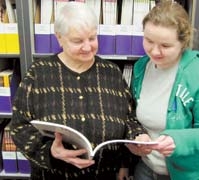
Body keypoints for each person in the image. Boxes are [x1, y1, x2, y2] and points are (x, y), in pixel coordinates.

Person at [9, 2, 146, 180]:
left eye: (92, 38)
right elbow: (19, 127)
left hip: (105, 175)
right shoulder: (39, 73)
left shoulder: (111, 72)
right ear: (59, 38)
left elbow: (129, 119)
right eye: (77, 41)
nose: (88, 47)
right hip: (53, 175)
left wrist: (138, 137)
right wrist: (50, 151)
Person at [126, 1, 199, 180]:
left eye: (165, 46)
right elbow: (133, 115)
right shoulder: (141, 67)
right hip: (146, 168)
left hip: (186, 174)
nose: (154, 51)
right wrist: (137, 136)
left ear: (182, 43)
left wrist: (178, 141)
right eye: (149, 41)